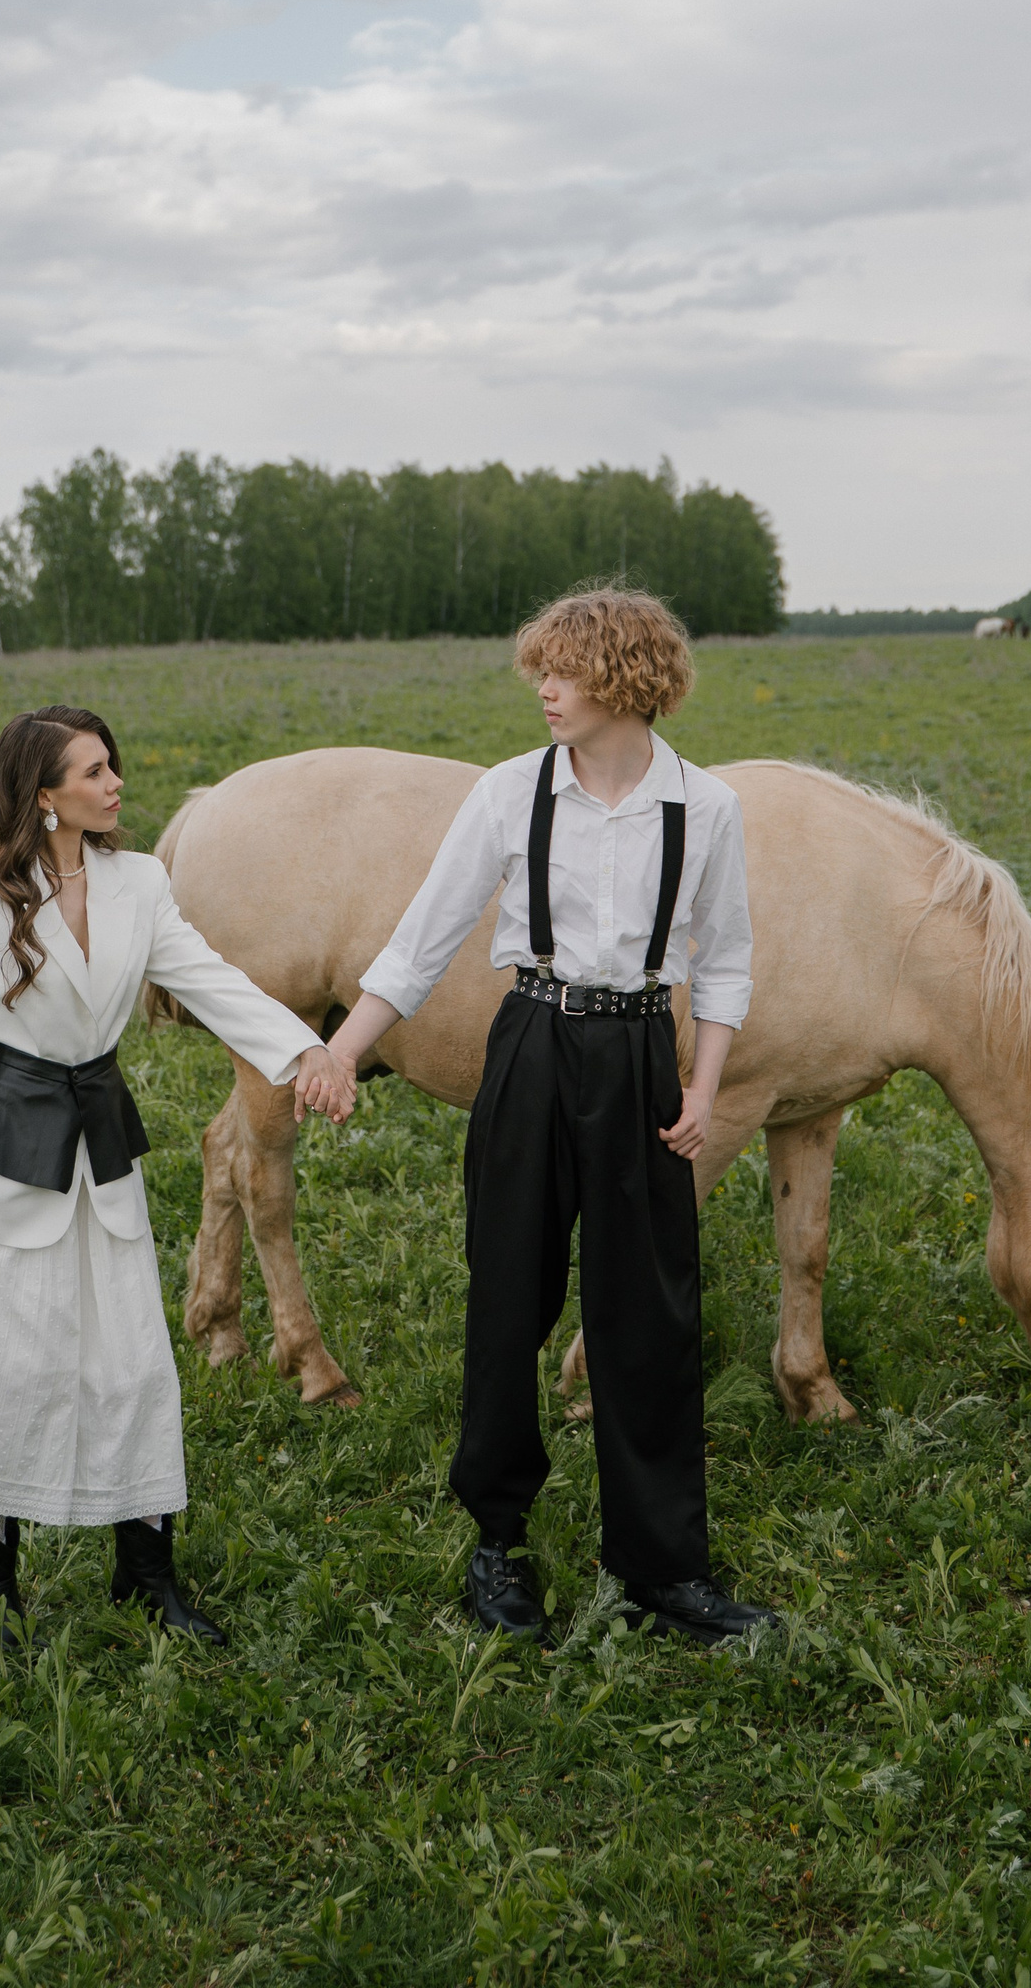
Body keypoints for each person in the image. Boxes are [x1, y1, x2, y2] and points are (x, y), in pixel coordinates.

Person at [325, 587, 780, 1648]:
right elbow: (421, 941)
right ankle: (498, 1543)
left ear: (625, 679)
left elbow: (726, 960)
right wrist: (342, 1052)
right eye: (542, 670)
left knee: (650, 1314)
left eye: (564, 671)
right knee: (508, 1297)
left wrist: (703, 1090)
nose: (544, 689)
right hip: (531, 1044)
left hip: (643, 1056)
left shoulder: (705, 807)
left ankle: (663, 1569)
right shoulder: (507, 792)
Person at [0, 703, 356, 1646]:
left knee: (134, 1363)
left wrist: (306, 1052)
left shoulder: (140, 882)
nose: (115, 783)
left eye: (112, 765)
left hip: (102, 1150)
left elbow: (211, 979)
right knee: (3, 1368)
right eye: (93, 771)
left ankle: (145, 1575)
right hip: (4, 1161)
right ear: (42, 795)